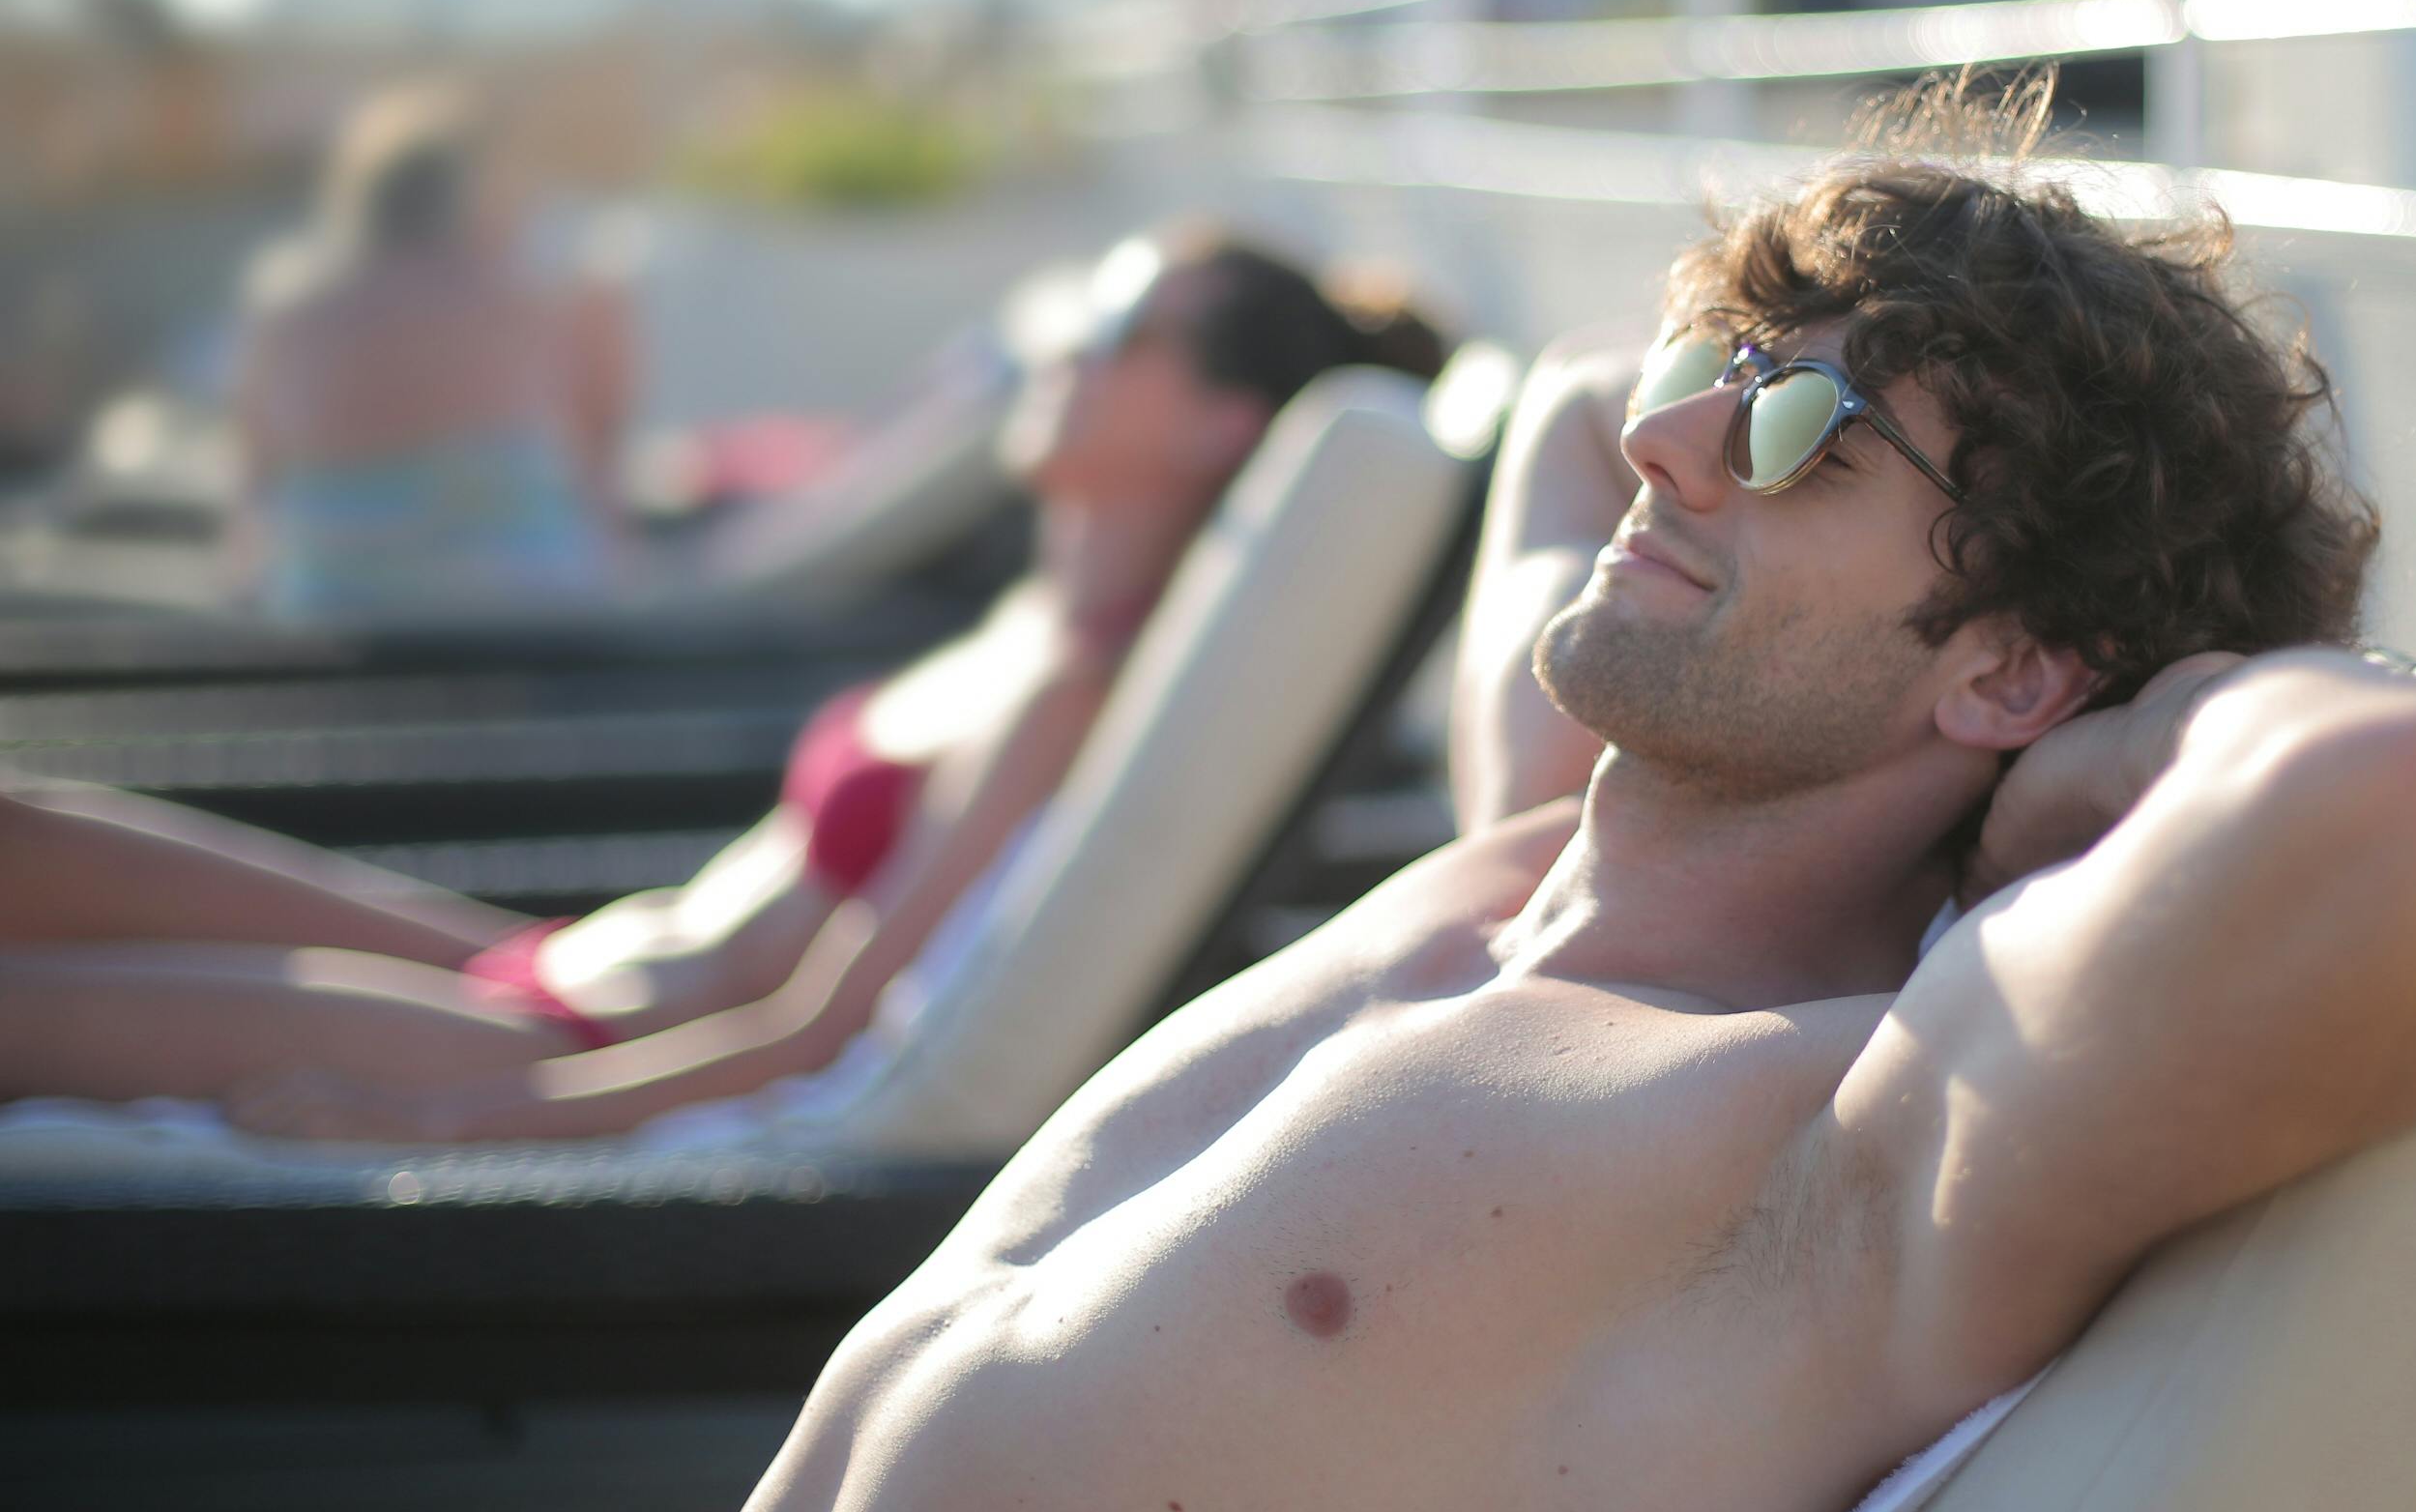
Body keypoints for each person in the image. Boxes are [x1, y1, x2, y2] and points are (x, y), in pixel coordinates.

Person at [4, 79, 2416, 1512]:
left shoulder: (1844, 1150)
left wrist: (2123, 715)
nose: (1673, 433)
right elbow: (1565, 410)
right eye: (1719, 366)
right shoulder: (1502, 874)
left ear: (2004, 666)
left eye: (1798, 427)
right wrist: (1840, 424)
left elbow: (2396, 817)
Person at [0, 230, 1447, 1141]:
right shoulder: (1026, 612)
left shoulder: (1073, 685)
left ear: (1219, 422)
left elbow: (815, 1033)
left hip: (565, 1039)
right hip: (544, 956)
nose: (1064, 341)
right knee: (31, 830)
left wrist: (460, 1115)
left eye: (1123, 325)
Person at [228, 85, 636, 616]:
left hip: (333, 628)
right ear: (481, 194)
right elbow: (598, 469)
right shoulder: (548, 297)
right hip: (527, 628)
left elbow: (253, 492)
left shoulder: (283, 309)